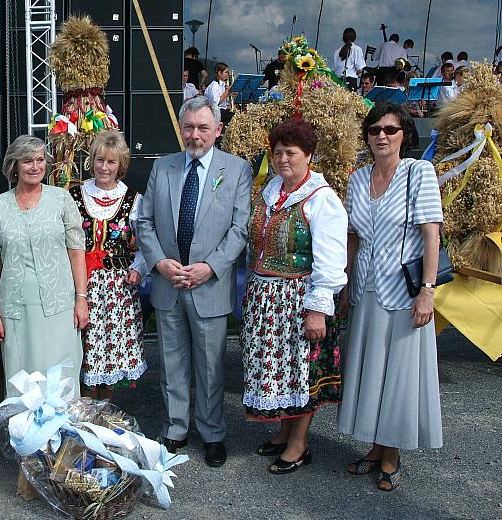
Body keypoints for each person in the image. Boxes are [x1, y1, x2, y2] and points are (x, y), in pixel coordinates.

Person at [138, 96, 252, 467]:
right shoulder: (163, 167)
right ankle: (175, 428)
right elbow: (144, 222)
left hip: (209, 285)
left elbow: (239, 229)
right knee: (172, 365)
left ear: (218, 130)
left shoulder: (237, 170)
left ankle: (212, 433)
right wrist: (159, 262)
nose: (195, 135)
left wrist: (210, 267)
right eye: (188, 127)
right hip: (169, 283)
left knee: (210, 367)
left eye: (203, 127)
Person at [338, 102, 444, 492]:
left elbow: (431, 235)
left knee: (398, 374)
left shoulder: (419, 173)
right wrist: (345, 284)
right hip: (366, 288)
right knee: (370, 371)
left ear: (405, 135)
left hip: (404, 292)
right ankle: (374, 445)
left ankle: (392, 454)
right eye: (374, 129)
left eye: (390, 129)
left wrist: (427, 291)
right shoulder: (357, 178)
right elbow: (353, 237)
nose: (381, 136)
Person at [241, 118, 347, 475]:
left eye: (291, 152)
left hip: (299, 299)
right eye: (278, 152)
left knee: (300, 371)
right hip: (265, 298)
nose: (283, 159)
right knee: (279, 369)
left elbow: (331, 260)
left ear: (309, 155)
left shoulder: (321, 198)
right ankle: (285, 432)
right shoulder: (271, 190)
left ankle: (299, 444)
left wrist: (317, 310)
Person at [0, 135, 88, 396]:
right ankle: (25, 425)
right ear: (14, 165)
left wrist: (81, 299)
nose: (35, 166)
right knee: (23, 384)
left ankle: (63, 424)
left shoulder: (61, 199)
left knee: (61, 381)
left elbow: (77, 253)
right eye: (27, 161)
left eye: (40, 160)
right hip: (15, 311)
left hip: (59, 307)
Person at [69, 130, 148, 400]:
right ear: (92, 161)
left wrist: (138, 267)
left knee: (112, 355)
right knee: (83, 353)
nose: (104, 167)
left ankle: (104, 411)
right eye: (100, 160)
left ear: (120, 165)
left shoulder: (134, 200)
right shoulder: (74, 196)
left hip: (118, 291)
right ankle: (83, 413)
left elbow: (147, 242)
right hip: (82, 286)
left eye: (111, 162)